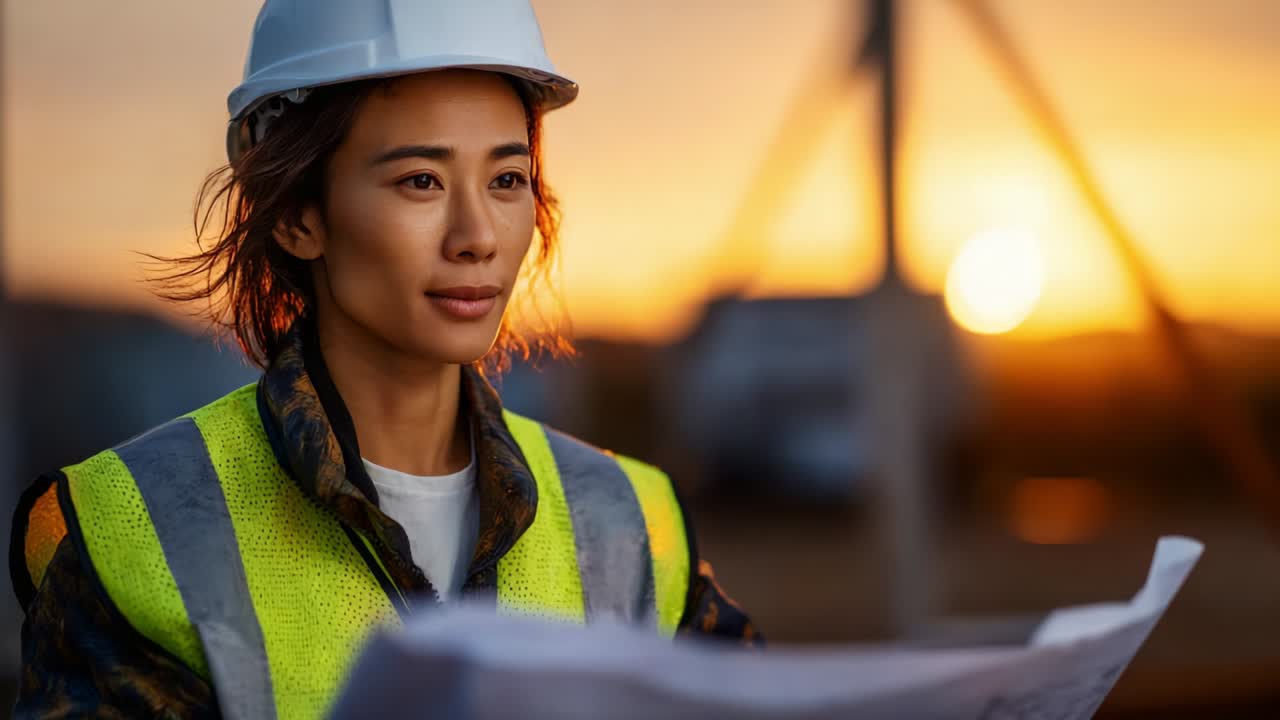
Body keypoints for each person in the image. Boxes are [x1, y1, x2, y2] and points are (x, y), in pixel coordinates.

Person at [8, 1, 759, 717]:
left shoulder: (631, 521)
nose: (477, 236)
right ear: (300, 214)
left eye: (506, 180)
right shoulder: (135, 530)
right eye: (420, 181)